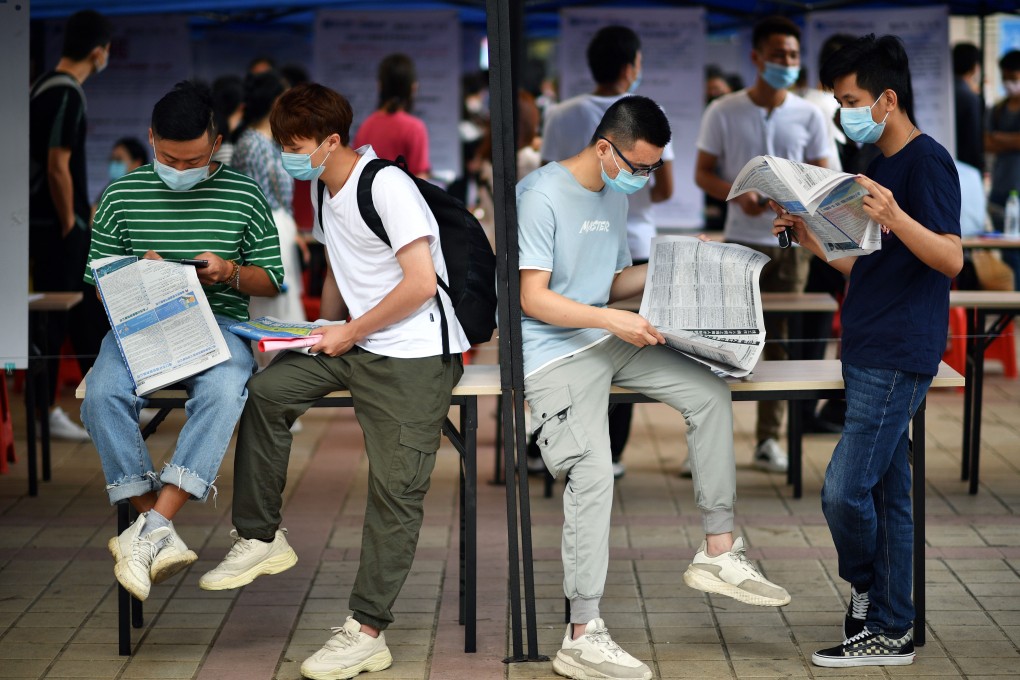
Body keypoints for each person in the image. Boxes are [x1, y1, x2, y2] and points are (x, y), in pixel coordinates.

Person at [199, 83, 467, 680]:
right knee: (266, 394)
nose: (290, 157)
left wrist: (349, 332)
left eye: (297, 146)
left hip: (415, 353)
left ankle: (368, 630)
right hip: (355, 338)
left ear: (332, 141)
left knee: (395, 491)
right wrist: (315, 327)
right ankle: (261, 536)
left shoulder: (386, 187)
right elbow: (339, 272)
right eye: (284, 145)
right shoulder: (324, 187)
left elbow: (422, 283)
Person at [520, 96, 791, 680]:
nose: (644, 179)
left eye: (652, 169)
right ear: (604, 148)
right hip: (554, 352)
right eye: (639, 168)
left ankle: (719, 551)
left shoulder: (614, 196)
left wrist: (681, 261)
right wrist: (611, 319)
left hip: (608, 335)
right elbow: (532, 298)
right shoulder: (539, 195)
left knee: (711, 396)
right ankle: (582, 634)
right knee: (592, 475)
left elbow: (612, 281)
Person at [772, 34, 963, 667]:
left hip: (898, 348)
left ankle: (870, 597)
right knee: (887, 495)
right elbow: (867, 268)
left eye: (851, 99)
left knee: (842, 491)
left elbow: (950, 258)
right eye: (836, 99)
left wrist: (896, 215)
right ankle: (892, 623)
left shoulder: (925, 163)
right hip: (867, 339)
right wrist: (809, 233)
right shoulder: (876, 167)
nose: (842, 111)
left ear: (887, 98)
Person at [81, 81, 284, 603]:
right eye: (170, 157)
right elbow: (97, 283)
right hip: (137, 328)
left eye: (193, 159)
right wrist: (135, 277)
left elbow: (271, 280)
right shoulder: (120, 196)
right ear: (150, 139)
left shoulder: (244, 193)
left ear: (215, 144)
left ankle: (152, 526)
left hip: (218, 327)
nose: (181, 167)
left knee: (223, 393)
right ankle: (158, 529)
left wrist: (230, 271)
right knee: (101, 396)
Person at [694, 15, 830, 473]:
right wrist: (737, 192)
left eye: (793, 56)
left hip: (793, 243)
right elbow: (702, 172)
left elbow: (824, 173)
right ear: (756, 57)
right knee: (727, 342)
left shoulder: (810, 113)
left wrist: (797, 198)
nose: (786, 63)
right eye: (778, 55)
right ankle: (710, 445)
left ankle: (770, 439)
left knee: (784, 343)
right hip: (739, 241)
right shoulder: (723, 110)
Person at [539, 25, 675, 479]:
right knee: (625, 338)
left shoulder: (560, 113)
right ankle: (611, 452)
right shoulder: (647, 116)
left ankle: (554, 443)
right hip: (632, 242)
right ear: (629, 67)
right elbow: (666, 187)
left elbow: (551, 173)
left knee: (566, 333)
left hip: (567, 240)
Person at [28, 9, 113, 442]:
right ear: (98, 51)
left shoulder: (41, 85)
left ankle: (102, 403)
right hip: (58, 226)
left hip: (48, 224)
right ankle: (48, 411)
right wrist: (70, 223)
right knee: (60, 320)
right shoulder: (65, 93)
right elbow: (58, 166)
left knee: (80, 315)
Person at [231, 71, 306, 341]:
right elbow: (252, 201)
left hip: (279, 225)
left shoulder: (269, 142)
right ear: (275, 102)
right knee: (273, 305)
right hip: (265, 229)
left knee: (284, 304)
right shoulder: (251, 144)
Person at [352, 53, 431, 178]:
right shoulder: (415, 127)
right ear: (413, 88)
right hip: (402, 197)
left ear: (380, 86)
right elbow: (420, 178)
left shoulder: (366, 126)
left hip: (366, 196)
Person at [986, 50, 1020, 289]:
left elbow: (993, 140)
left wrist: (1000, 139)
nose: (1010, 83)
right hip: (1000, 191)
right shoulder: (997, 109)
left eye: (1014, 77)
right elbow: (986, 142)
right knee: (1009, 255)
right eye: (1006, 78)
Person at [953, 43, 985, 172]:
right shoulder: (971, 98)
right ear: (975, 67)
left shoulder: (944, 93)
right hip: (965, 167)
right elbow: (974, 142)